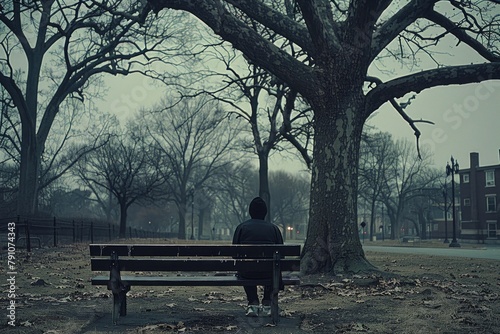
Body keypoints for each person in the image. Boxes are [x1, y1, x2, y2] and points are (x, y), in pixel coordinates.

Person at [232, 197, 284, 317]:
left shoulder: (241, 228)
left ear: (250, 212)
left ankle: (253, 303)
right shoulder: (274, 229)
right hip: (269, 273)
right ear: (265, 213)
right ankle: (267, 303)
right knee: (274, 269)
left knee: (245, 267)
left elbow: (234, 254)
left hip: (247, 272)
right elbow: (282, 255)